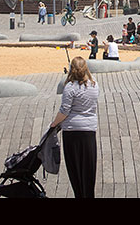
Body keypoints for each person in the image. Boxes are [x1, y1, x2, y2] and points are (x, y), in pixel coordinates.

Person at [50, 56, 99, 198]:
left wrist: (54, 124)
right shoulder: (94, 84)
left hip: (72, 131)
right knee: (88, 170)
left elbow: (64, 110)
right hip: (89, 130)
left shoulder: (70, 87)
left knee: (75, 169)